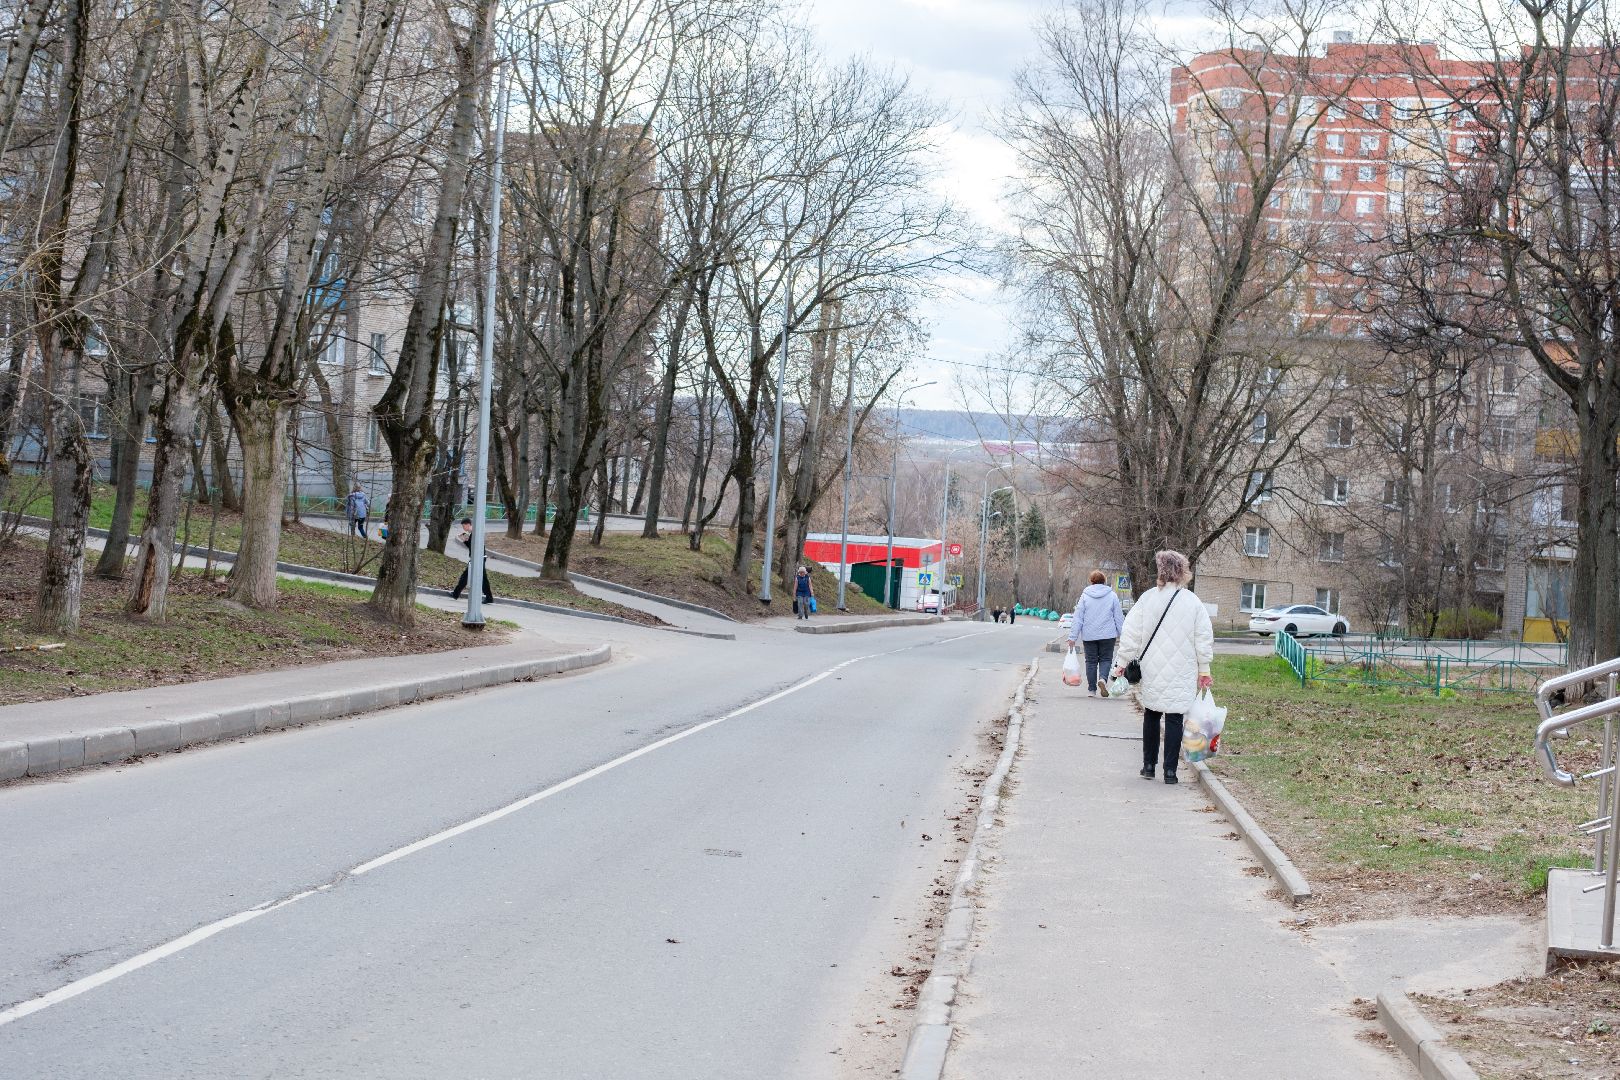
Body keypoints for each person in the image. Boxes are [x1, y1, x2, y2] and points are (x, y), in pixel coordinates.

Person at [1111, 550, 1213, 786]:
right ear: (1183, 571)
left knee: (1152, 714)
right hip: (1182, 668)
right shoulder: (1193, 602)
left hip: (1153, 668)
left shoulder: (1148, 598)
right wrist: (1204, 669)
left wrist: (1121, 663)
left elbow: (1131, 633)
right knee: (1176, 718)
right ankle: (1170, 772)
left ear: (1162, 571)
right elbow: (1203, 637)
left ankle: (1148, 766)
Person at [1068, 570, 1125, 698]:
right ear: (1104, 581)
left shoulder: (1085, 596)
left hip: (1089, 635)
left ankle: (1092, 690)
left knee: (1091, 661)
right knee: (1106, 659)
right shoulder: (1112, 595)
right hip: (1108, 635)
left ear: (1091, 581)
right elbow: (1118, 617)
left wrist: (1072, 637)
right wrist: (1124, 636)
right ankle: (1103, 679)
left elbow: (1078, 617)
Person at [450, 518, 493, 604]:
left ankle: (456, 594)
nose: (463, 528)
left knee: (469, 577)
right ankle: (456, 593)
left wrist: (465, 540)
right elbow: (472, 546)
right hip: (477, 558)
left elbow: (475, 546)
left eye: (463, 526)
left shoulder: (475, 533)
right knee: (469, 577)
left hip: (478, 558)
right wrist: (465, 540)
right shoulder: (473, 533)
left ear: (467, 524)